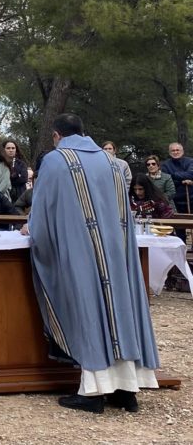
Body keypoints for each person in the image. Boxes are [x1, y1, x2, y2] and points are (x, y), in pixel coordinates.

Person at [25, 113, 159, 413]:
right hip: (117, 251)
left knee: (89, 310)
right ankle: (126, 390)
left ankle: (93, 392)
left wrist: (34, 232)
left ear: (57, 135)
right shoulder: (112, 162)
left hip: (81, 249)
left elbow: (43, 210)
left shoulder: (56, 160)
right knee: (119, 311)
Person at [161, 142, 193, 215]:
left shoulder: (191, 161)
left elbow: (191, 174)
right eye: (173, 150)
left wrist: (173, 175)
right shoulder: (165, 165)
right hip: (174, 201)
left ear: (182, 151)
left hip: (191, 198)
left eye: (177, 150)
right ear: (169, 153)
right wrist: (182, 180)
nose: (175, 152)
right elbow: (167, 180)